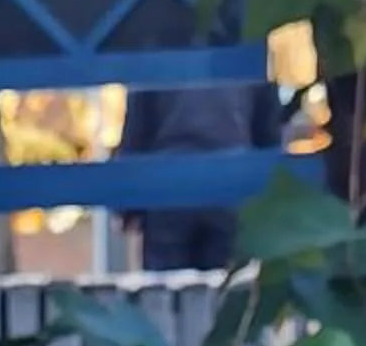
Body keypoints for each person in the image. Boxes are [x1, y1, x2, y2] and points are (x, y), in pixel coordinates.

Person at [115, 74, 283, 272]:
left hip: (168, 189)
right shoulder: (248, 53)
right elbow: (268, 135)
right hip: (231, 186)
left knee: (164, 289)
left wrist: (126, 207)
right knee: (224, 286)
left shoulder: (158, 52)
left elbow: (137, 131)